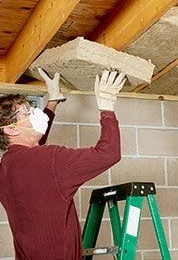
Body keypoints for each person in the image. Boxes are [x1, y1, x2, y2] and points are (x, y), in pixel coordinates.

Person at [0, 69, 126, 260]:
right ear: (11, 129)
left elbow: (34, 152)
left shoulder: (7, 165)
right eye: (28, 112)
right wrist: (106, 107)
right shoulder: (47, 160)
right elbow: (109, 154)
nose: (36, 113)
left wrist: (53, 100)